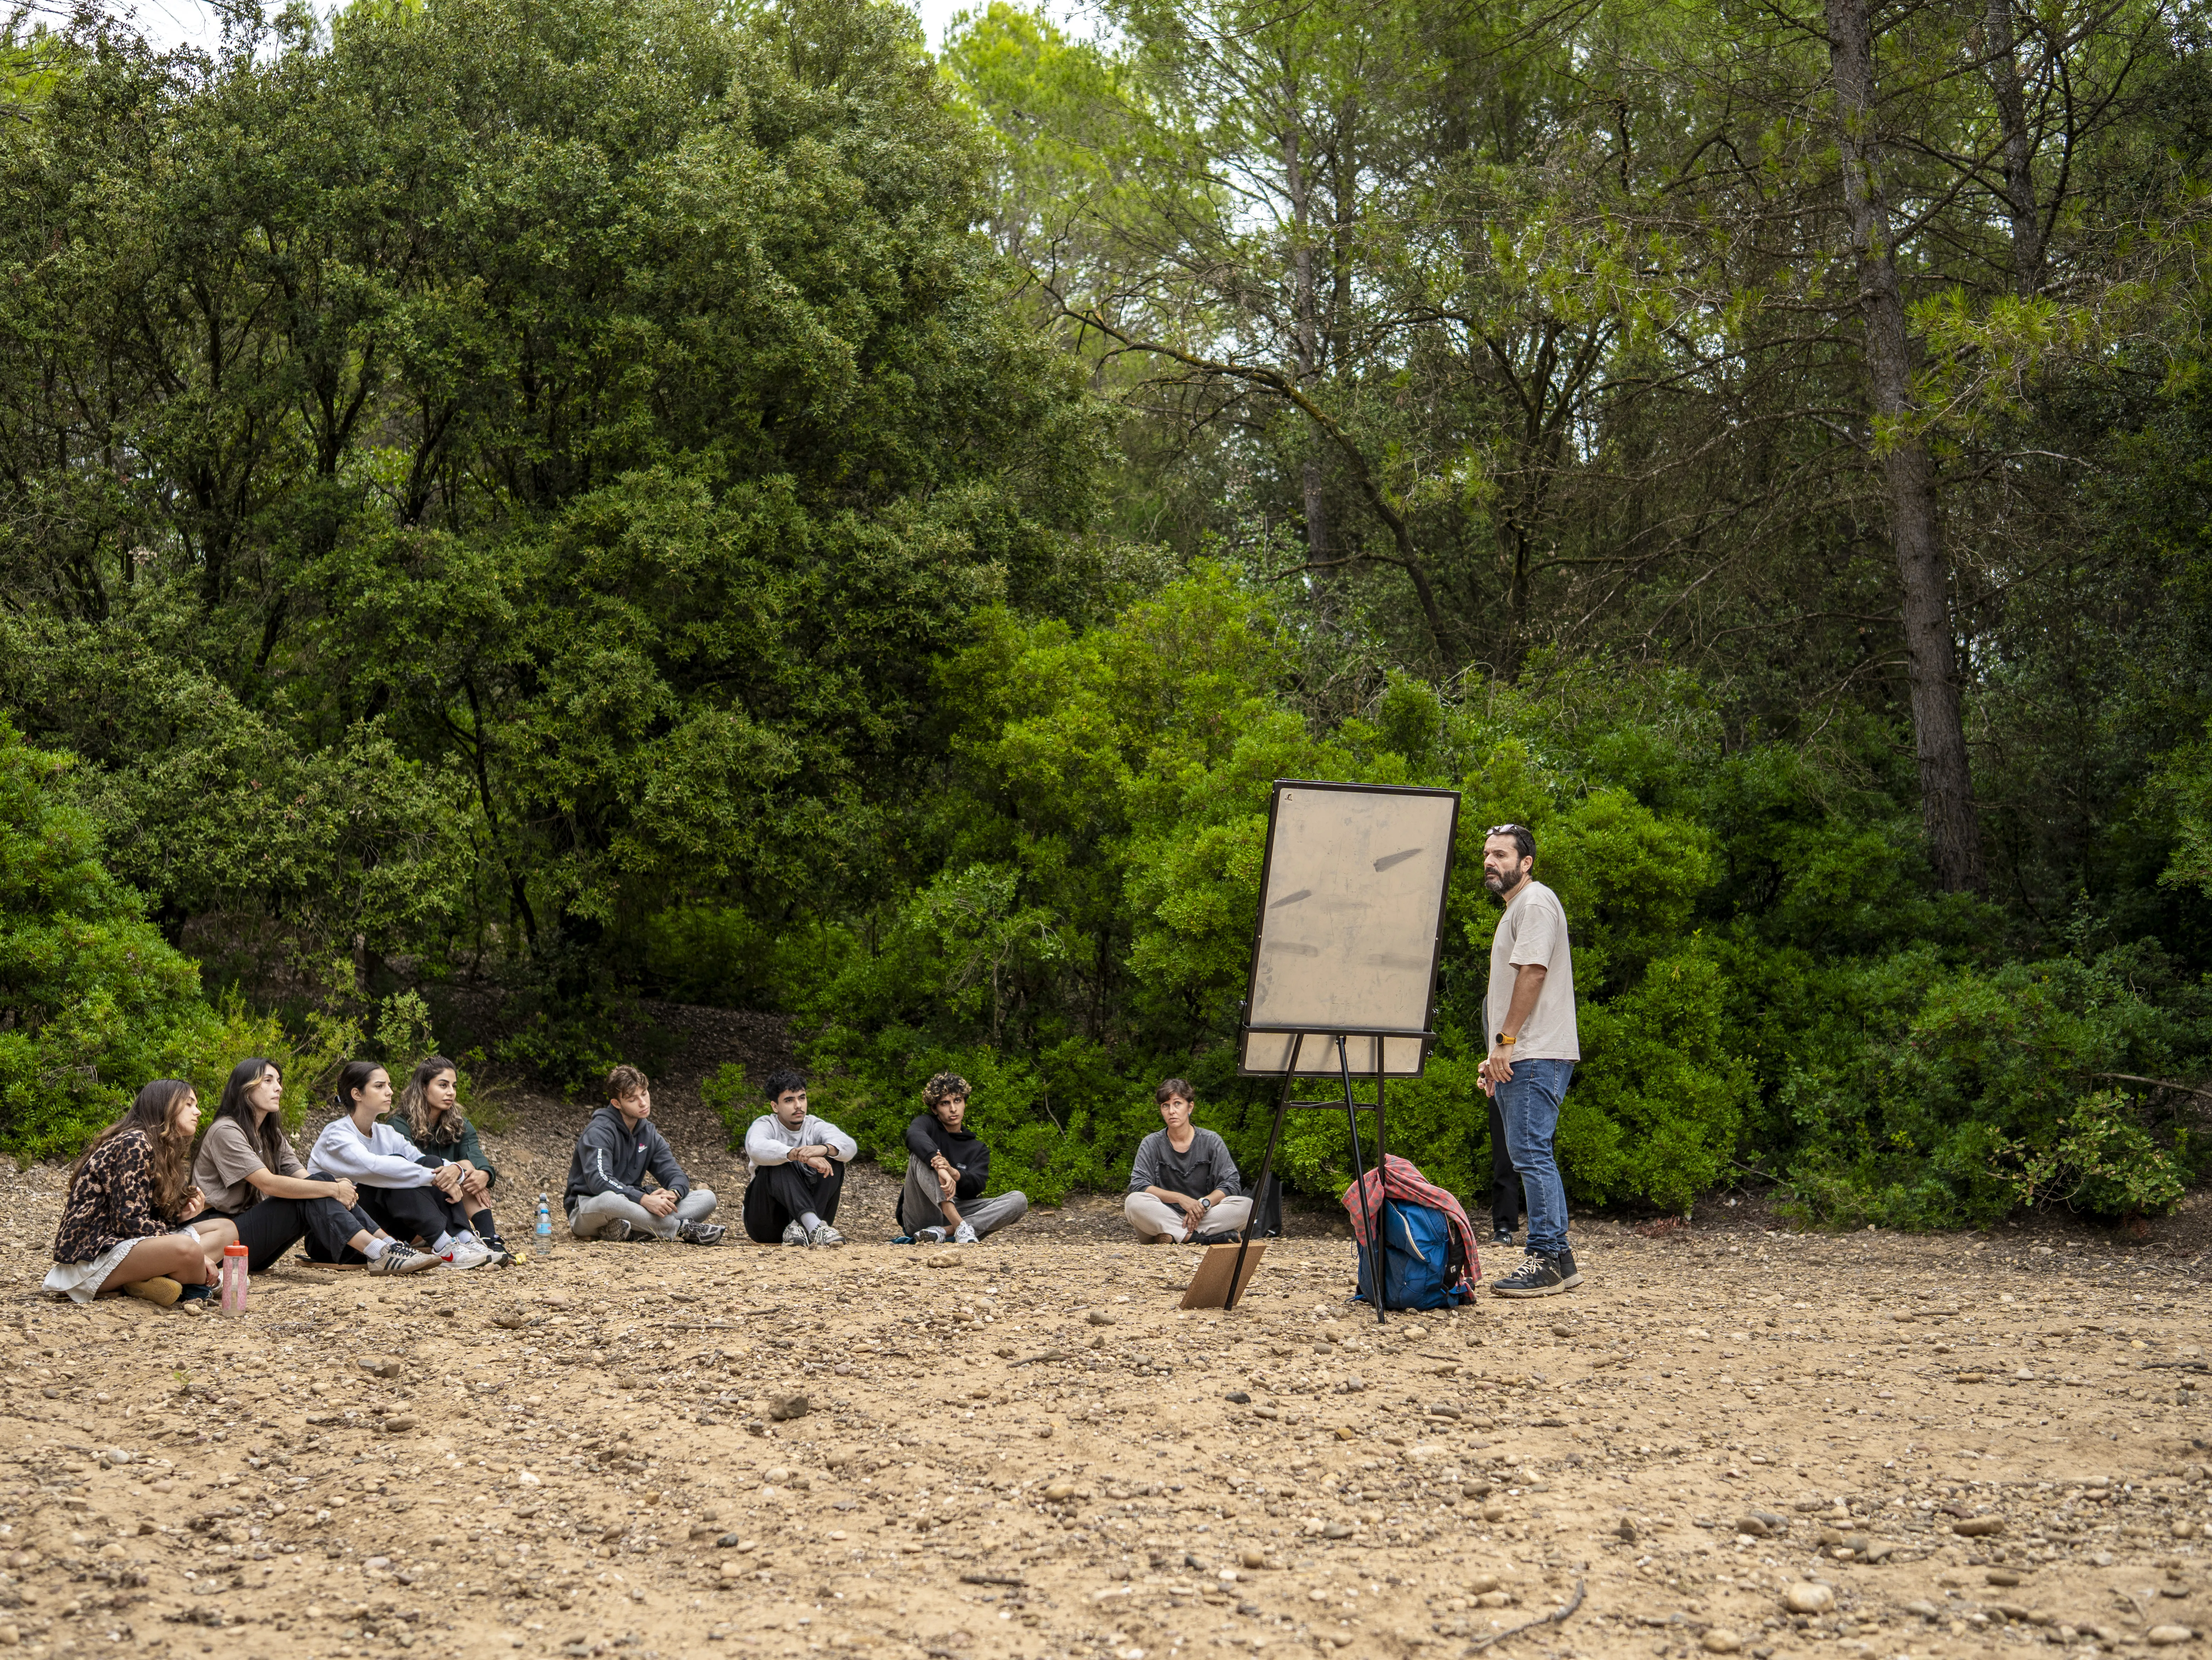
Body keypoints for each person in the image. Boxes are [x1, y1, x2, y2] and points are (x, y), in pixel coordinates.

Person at [194, 1057, 439, 1276]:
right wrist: (333, 1190)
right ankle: (380, 1251)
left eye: (278, 1081)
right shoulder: (226, 1131)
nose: (278, 1088)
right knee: (321, 1186)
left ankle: (388, 1246)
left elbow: (306, 1177)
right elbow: (267, 1183)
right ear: (244, 1089)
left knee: (319, 1181)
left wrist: (334, 1186)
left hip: (252, 1242)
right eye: (268, 1081)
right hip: (222, 1238)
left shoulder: (270, 1134)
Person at [1476, 823, 1583, 1297]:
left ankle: (1544, 1258)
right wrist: (1494, 1055)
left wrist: (1506, 1042)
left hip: (1534, 1052)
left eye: (1501, 854)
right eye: (1487, 854)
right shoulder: (1521, 907)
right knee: (1532, 1152)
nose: (1490, 861)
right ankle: (1560, 1259)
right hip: (1526, 1050)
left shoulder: (1535, 903)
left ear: (1526, 863)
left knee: (1531, 1154)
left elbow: (1534, 974)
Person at [45, 1079, 237, 1306]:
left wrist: (179, 1217)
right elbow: (128, 1222)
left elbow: (144, 1216)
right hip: (95, 1258)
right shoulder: (134, 1142)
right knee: (187, 1249)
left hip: (127, 1247)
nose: (198, 1111)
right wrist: (197, 1254)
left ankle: (146, 1283)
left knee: (227, 1229)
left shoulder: (161, 1148)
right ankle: (205, 1284)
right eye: (189, 1104)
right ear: (165, 1105)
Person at [308, 1061, 501, 1269]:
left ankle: (464, 1238)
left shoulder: (385, 1133)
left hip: (384, 1231)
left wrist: (456, 1172)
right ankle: (444, 1246)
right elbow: (373, 1168)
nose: (390, 1092)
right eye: (380, 1086)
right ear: (357, 1094)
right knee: (395, 1174)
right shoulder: (336, 1135)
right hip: (335, 1237)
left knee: (432, 1163)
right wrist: (434, 1177)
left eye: (389, 1085)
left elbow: (422, 1160)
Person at [564, 1064, 725, 1244]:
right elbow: (600, 1181)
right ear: (617, 1104)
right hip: (590, 1207)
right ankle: (679, 1229)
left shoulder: (648, 1132)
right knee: (611, 1201)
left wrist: (674, 1193)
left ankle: (634, 1231)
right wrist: (643, 1199)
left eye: (645, 1093)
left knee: (707, 1198)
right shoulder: (599, 1131)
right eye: (633, 1099)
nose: (643, 1103)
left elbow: (675, 1174)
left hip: (634, 1207)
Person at [387, 1055, 512, 1257]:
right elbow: (411, 1167)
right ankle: (462, 1239)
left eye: (454, 1086)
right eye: (443, 1085)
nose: (451, 1092)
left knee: (469, 1171)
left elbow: (476, 1157)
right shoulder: (399, 1123)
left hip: (448, 1206)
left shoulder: (459, 1123)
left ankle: (490, 1241)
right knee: (459, 1169)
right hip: (411, 1212)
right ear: (424, 1088)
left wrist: (484, 1176)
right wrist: (457, 1171)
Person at [898, 1071, 1029, 1245]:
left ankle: (946, 1232)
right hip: (922, 1214)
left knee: (1019, 1200)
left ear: (965, 1103)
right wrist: (941, 1169)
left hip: (961, 1211)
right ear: (934, 1109)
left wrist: (954, 1173)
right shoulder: (927, 1124)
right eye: (945, 1103)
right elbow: (914, 1135)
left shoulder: (978, 1148)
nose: (953, 1109)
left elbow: (975, 1187)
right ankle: (960, 1227)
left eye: (958, 1101)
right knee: (921, 1157)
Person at [1123, 1079, 1252, 1244]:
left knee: (1247, 1206)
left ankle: (1175, 1236)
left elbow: (1231, 1183)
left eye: (1178, 1104)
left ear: (1190, 1107)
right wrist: (1180, 1199)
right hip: (1163, 1214)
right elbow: (1139, 1185)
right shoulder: (1151, 1143)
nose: (1172, 1111)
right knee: (1134, 1203)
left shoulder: (1211, 1140)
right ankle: (1202, 1239)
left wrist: (1203, 1205)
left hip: (1204, 1215)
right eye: (1165, 1106)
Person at [741, 1069, 856, 1247]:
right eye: (789, 1100)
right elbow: (756, 1149)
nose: (798, 1106)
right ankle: (812, 1225)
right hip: (767, 1224)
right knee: (778, 1161)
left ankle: (807, 1226)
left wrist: (824, 1149)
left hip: (812, 1226)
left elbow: (849, 1147)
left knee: (835, 1158)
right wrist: (797, 1155)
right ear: (775, 1106)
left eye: (802, 1098)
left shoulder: (814, 1125)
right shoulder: (765, 1124)